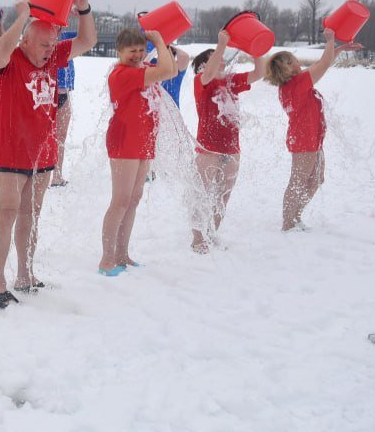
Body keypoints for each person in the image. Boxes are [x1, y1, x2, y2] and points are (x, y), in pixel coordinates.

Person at [0, 0, 97, 307]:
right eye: (44, 44)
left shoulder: (55, 57)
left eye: (53, 44)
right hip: (11, 150)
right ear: (26, 41)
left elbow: (87, 41)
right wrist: (23, 15)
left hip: (43, 151)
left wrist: (84, 8)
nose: (51, 50)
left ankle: (25, 272)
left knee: (31, 215)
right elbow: (0, 51)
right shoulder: (10, 61)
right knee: (6, 213)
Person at [265, 28, 360, 231]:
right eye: (295, 60)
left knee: (316, 179)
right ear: (288, 66)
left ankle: (295, 216)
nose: (299, 63)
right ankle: (288, 223)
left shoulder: (293, 84)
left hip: (312, 138)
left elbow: (322, 65)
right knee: (298, 181)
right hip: (304, 139)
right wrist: (331, 40)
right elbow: (322, 65)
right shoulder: (296, 84)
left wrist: (339, 49)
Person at [98, 27, 176, 276]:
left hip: (142, 141)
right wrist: (160, 41)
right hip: (124, 141)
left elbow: (173, 68)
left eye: (142, 50)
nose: (138, 55)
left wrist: (159, 46)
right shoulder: (122, 74)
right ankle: (106, 259)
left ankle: (123, 254)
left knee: (133, 200)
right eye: (132, 50)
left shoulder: (141, 71)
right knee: (120, 200)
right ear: (119, 51)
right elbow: (167, 69)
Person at [189, 31, 267, 251]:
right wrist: (221, 44)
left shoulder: (231, 81)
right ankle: (197, 238)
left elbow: (259, 72)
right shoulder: (200, 81)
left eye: (221, 55)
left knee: (223, 195)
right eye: (214, 57)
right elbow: (210, 72)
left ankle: (212, 233)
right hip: (208, 148)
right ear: (203, 66)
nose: (221, 58)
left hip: (232, 148)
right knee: (201, 193)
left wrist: (255, 49)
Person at [50, 28, 77, 187]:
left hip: (63, 92)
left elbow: (86, 36)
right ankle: (36, 172)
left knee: (60, 139)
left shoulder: (67, 36)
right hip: (45, 94)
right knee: (43, 138)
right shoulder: (42, 34)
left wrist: (81, 14)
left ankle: (57, 175)